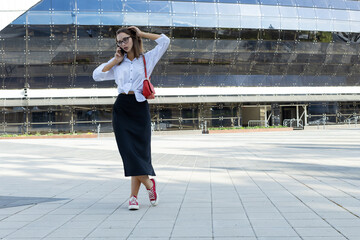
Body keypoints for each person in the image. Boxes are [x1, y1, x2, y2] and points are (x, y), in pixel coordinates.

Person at [92, 26, 170, 210]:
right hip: (122, 108)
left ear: (133, 38)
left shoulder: (147, 59)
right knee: (128, 152)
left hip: (139, 107)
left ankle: (133, 198)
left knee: (139, 153)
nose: (123, 44)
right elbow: (97, 75)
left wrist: (141, 33)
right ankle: (150, 186)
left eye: (125, 39)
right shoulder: (118, 62)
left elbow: (164, 41)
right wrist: (115, 60)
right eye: (119, 41)